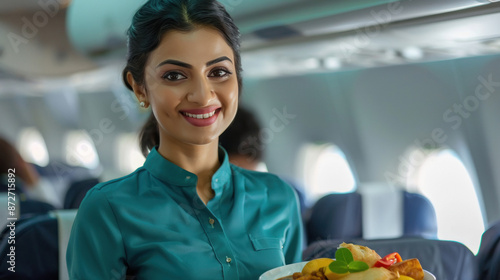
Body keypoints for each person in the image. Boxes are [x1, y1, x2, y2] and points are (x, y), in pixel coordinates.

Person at [66, 1, 303, 279]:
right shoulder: (108, 209)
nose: (202, 95)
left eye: (218, 72)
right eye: (175, 75)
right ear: (139, 88)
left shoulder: (279, 197)